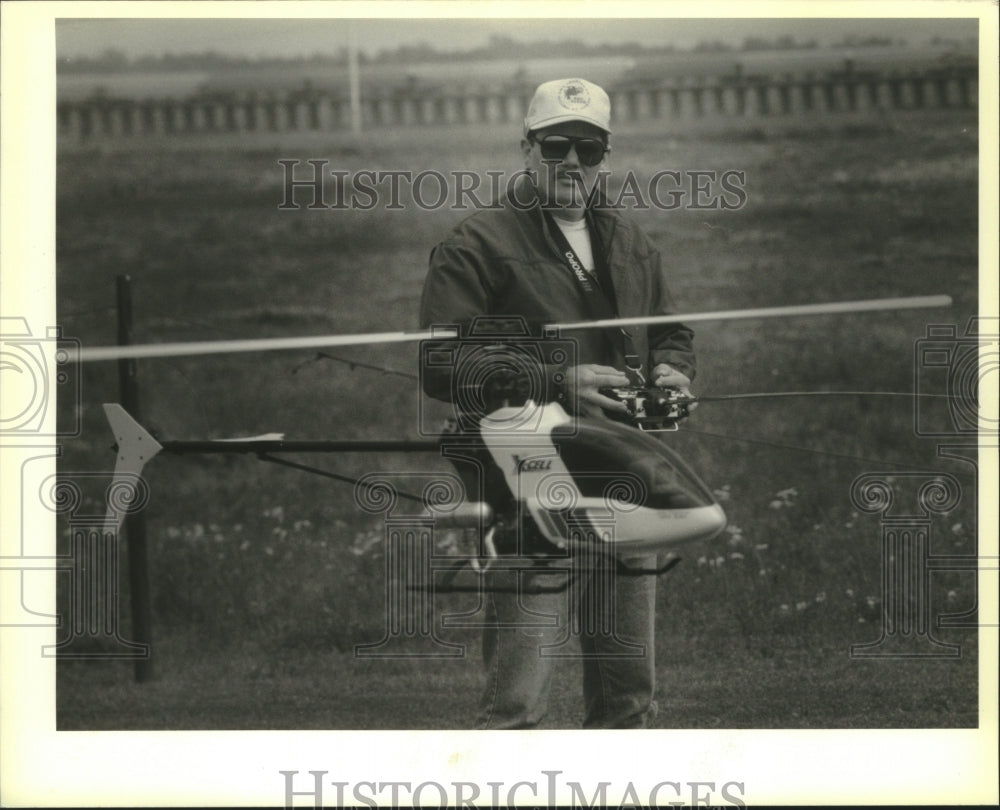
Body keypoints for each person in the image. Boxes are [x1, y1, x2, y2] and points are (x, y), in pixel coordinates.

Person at [419, 78, 696, 729]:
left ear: (606, 154)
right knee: (518, 691)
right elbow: (438, 364)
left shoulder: (629, 242)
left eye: (588, 148)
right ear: (527, 147)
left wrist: (671, 371)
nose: (572, 162)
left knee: (629, 690)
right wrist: (557, 379)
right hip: (528, 469)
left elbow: (672, 332)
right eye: (556, 146)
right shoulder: (476, 243)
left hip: (625, 467)